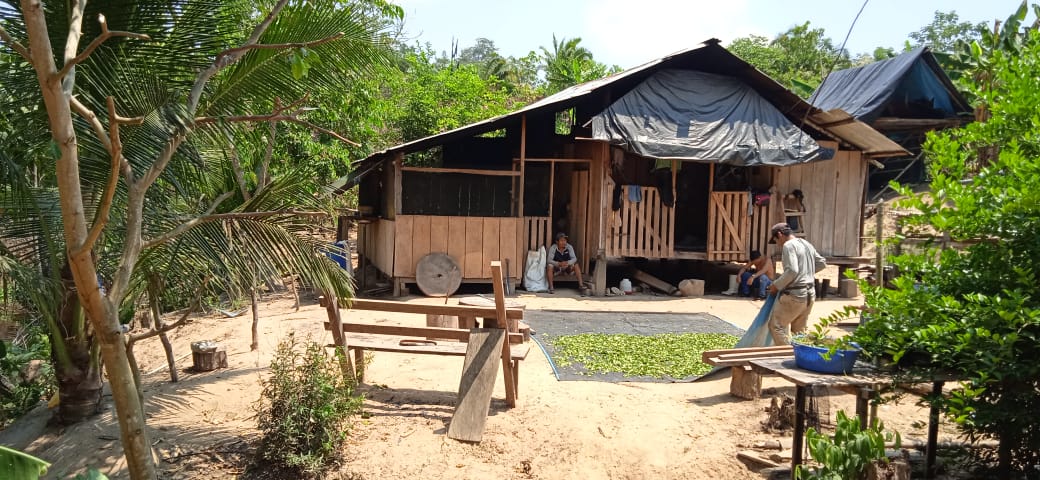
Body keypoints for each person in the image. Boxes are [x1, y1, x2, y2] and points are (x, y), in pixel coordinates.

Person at [767, 223, 826, 344]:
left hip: (796, 295)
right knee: (799, 331)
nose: (778, 244)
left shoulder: (788, 246)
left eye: (776, 240)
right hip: (810, 294)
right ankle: (800, 356)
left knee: (776, 326)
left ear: (779, 234)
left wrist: (776, 285)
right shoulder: (806, 244)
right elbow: (821, 263)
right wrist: (805, 273)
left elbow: (792, 271)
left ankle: (786, 354)